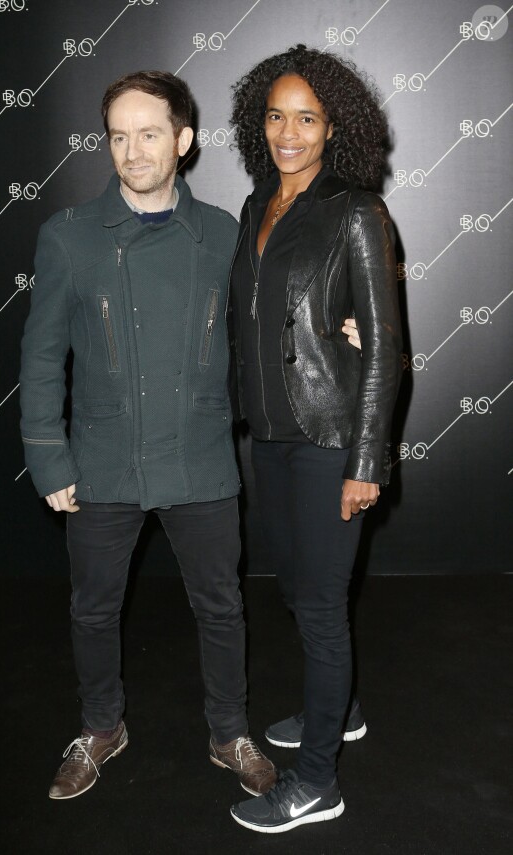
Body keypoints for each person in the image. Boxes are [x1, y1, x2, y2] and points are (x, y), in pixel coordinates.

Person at [19, 70, 279, 801]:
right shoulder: (68, 238)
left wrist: (337, 335)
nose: (132, 151)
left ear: (184, 140)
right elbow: (41, 356)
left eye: (150, 133)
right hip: (102, 461)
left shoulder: (225, 233)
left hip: (200, 457)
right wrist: (48, 455)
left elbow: (258, 332)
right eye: (119, 136)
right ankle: (102, 726)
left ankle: (229, 731)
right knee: (93, 608)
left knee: (221, 606)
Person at [226, 45, 402, 833]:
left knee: (322, 608)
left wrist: (366, 461)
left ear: (335, 127)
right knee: (298, 590)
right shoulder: (255, 203)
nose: (288, 132)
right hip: (271, 436)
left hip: (329, 439)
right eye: (275, 115)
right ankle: (343, 708)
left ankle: (318, 780)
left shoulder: (357, 212)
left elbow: (387, 349)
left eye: (306, 118)